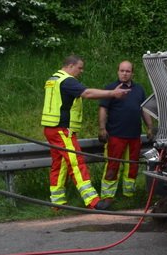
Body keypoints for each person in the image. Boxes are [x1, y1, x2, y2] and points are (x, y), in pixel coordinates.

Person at [41, 55, 129, 210]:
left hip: (51, 128)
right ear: (70, 66)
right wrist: (112, 94)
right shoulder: (67, 81)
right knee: (76, 163)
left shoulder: (53, 79)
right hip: (62, 130)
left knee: (59, 164)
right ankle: (93, 202)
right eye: (79, 68)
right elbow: (87, 93)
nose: (81, 71)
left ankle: (57, 202)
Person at [98, 60, 155, 201]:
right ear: (118, 72)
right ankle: (107, 196)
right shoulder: (111, 88)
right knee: (113, 166)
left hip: (134, 136)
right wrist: (102, 128)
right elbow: (103, 109)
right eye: (122, 70)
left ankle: (128, 195)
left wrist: (149, 127)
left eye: (127, 71)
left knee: (132, 167)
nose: (124, 73)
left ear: (132, 73)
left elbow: (144, 109)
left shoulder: (139, 89)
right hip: (116, 135)